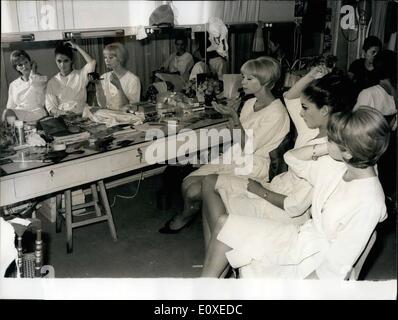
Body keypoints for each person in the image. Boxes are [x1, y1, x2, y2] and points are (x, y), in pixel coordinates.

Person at [202, 106, 389, 279]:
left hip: (315, 263)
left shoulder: (369, 200)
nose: (325, 141)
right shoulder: (340, 167)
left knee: (230, 231)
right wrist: (328, 147)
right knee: (224, 224)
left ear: (348, 152)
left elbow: (336, 265)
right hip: (302, 238)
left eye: (330, 140)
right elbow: (292, 158)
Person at [200, 66, 356, 248]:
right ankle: (220, 258)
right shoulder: (310, 129)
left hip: (283, 210)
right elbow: (290, 97)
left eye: (305, 108)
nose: (299, 112)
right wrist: (311, 76)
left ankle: (220, 261)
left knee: (219, 212)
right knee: (210, 182)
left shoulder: (329, 153)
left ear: (324, 111)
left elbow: (295, 206)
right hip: (276, 188)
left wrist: (260, 190)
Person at [159, 56, 290, 233]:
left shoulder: (276, 113)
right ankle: (191, 213)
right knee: (187, 183)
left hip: (253, 165)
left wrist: (234, 118)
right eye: (243, 77)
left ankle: (186, 218)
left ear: (265, 82)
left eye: (248, 79)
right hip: (235, 156)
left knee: (193, 191)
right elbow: (236, 137)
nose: (242, 81)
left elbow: (248, 147)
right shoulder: (250, 103)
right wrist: (231, 116)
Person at [45, 41, 96, 116]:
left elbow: (92, 63)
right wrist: (64, 113)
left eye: (66, 61)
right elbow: (50, 107)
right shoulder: (52, 82)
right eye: (59, 61)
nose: (62, 65)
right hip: (63, 116)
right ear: (55, 61)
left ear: (71, 60)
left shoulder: (80, 75)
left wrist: (77, 47)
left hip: (81, 114)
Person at [3, 50, 48, 123]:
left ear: (30, 62)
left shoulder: (41, 79)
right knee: (7, 112)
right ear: (17, 68)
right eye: (20, 65)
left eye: (26, 62)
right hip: (20, 114)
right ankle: (11, 132)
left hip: (37, 114)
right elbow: (10, 107)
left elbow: (40, 98)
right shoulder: (13, 85)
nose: (24, 66)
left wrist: (33, 73)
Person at [94, 42, 141, 111]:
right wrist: (98, 85)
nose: (106, 60)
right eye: (105, 57)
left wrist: (119, 87)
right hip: (109, 116)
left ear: (120, 58)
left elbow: (132, 108)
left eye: (110, 57)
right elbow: (103, 105)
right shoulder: (104, 77)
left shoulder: (133, 79)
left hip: (126, 117)